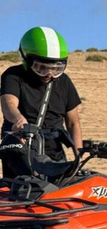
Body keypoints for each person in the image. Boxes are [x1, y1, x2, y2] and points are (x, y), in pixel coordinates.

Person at [1, 26, 82, 179]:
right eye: (41, 68)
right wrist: (19, 120)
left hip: (54, 151)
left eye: (56, 68)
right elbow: (8, 104)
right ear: (26, 59)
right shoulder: (13, 75)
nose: (49, 74)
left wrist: (79, 155)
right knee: (24, 194)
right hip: (22, 147)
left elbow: (73, 123)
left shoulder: (64, 82)